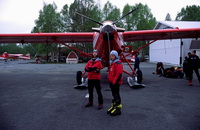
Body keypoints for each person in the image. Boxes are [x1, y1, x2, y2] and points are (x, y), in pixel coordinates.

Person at [107, 50, 123, 116]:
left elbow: (118, 74)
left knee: (116, 95)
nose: (111, 57)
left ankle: (118, 109)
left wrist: (115, 82)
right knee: (114, 95)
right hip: (112, 82)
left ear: (116, 56)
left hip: (115, 83)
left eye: (113, 56)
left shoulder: (118, 64)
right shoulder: (113, 63)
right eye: (111, 55)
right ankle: (114, 106)